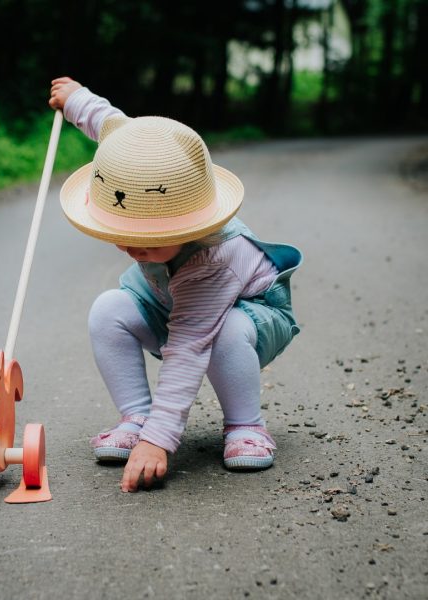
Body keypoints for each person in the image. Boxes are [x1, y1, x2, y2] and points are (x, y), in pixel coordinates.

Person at [49, 77, 302, 493]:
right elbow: (111, 127)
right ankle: (136, 416)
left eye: (148, 239)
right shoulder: (148, 160)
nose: (131, 247)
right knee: (108, 308)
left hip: (250, 321)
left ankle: (245, 425)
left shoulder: (215, 257)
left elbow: (188, 346)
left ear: (190, 221)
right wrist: (76, 98)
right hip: (167, 304)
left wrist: (159, 443)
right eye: (121, 231)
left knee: (227, 330)